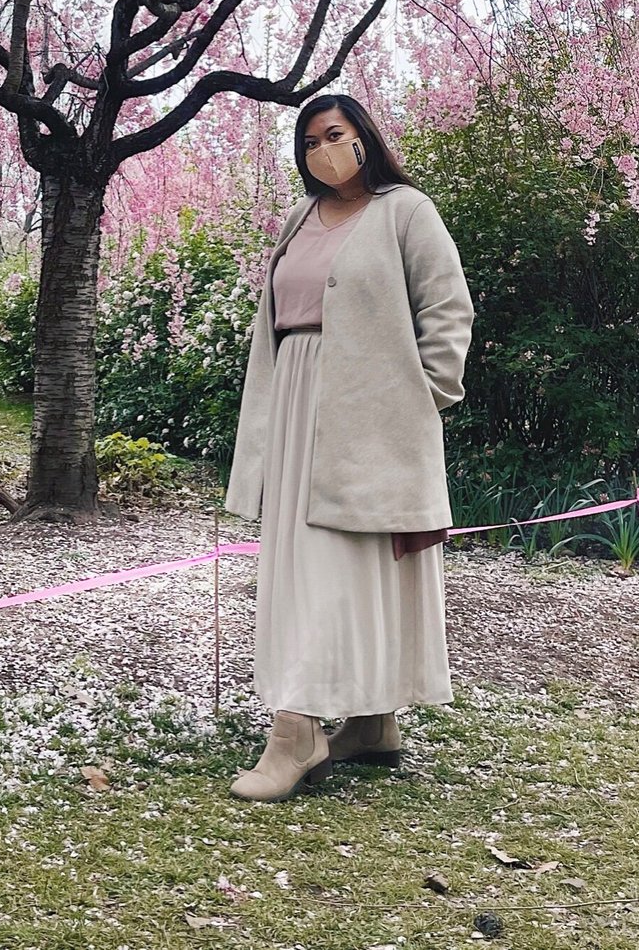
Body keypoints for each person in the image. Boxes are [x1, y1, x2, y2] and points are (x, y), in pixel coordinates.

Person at [224, 92, 474, 802]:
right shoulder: (300, 217)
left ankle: (298, 733)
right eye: (309, 142)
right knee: (305, 565)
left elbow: (448, 308)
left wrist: (421, 396)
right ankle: (370, 723)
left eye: (333, 134)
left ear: (363, 135)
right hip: (298, 401)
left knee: (346, 565)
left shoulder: (406, 211)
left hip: (373, 414)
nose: (322, 151)